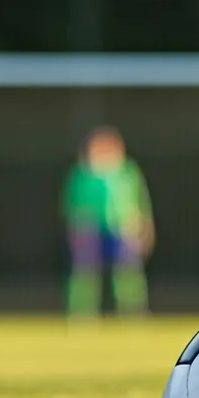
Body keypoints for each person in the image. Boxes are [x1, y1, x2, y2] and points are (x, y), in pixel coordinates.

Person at [62, 126, 155, 318]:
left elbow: (140, 200)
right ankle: (81, 313)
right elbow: (71, 202)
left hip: (122, 228)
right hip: (89, 229)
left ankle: (132, 312)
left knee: (128, 272)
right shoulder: (83, 174)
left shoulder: (127, 172)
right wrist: (75, 225)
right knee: (85, 273)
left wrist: (142, 224)